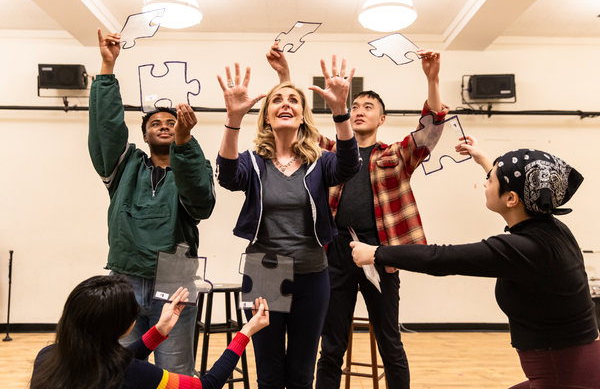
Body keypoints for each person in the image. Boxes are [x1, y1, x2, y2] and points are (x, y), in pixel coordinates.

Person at [267, 42, 448, 389]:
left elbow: (431, 129)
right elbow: (298, 126)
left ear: (382, 119)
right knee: (331, 345)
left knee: (390, 343)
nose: (359, 111)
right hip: (335, 252)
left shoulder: (395, 154)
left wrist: (432, 80)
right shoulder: (331, 152)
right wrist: (284, 76)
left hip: (382, 253)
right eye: (354, 106)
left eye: (369, 107)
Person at [351, 136, 600, 388]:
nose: (484, 183)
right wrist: (482, 158)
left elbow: (441, 258)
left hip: (566, 377)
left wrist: (376, 253)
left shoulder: (525, 249)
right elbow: (516, 185)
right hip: (573, 366)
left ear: (512, 198)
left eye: (490, 179)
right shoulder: (550, 228)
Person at [215, 53, 361, 389]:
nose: (285, 103)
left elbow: (349, 166)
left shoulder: (321, 162)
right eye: (277, 99)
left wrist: (341, 112)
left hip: (312, 275)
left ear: (303, 116)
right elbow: (227, 176)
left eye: (293, 100)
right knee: (268, 371)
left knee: (300, 372)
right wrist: (233, 119)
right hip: (264, 274)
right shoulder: (253, 162)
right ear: (266, 116)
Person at [89, 29, 216, 375]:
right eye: (155, 123)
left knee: (175, 370)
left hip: (176, 277)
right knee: (120, 368)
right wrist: (107, 66)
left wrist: (185, 144)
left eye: (171, 123)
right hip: (125, 276)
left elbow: (202, 204)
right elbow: (106, 128)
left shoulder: (195, 164)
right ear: (144, 134)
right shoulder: (124, 166)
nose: (163, 126)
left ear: (182, 131)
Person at [30, 275, 269, 389]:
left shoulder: (48, 356)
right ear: (122, 326)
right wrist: (246, 331)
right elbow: (207, 385)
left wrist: (158, 331)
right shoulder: (138, 374)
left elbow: (112, 361)